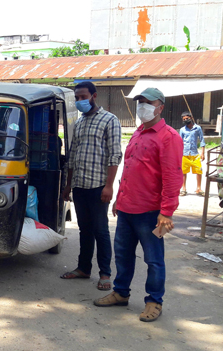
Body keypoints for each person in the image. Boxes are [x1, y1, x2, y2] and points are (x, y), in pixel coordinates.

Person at [94, 88, 183, 323]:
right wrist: (119, 200)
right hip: (127, 209)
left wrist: (166, 212)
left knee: (153, 260)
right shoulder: (138, 133)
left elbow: (173, 176)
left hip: (151, 212)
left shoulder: (169, 136)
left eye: (147, 102)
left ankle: (154, 301)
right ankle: (121, 293)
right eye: (140, 102)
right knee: (123, 255)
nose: (142, 106)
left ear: (160, 107)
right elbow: (130, 169)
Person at [61, 81, 122, 291]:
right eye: (77, 98)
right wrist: (68, 185)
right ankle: (83, 268)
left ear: (94, 96)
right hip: (79, 185)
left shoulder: (109, 120)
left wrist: (109, 186)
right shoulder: (79, 123)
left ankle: (105, 273)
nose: (80, 101)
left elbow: (114, 155)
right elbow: (72, 156)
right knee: (84, 230)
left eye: (83, 97)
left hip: (98, 186)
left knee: (100, 230)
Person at [179, 112, 205, 196]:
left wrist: (203, 153)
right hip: (185, 154)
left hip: (195, 154)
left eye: (187, 118)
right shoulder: (182, 130)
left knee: (199, 171)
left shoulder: (197, 128)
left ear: (191, 117)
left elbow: (202, 140)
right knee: (183, 172)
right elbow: (179, 142)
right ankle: (184, 188)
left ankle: (198, 188)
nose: (186, 120)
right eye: (184, 119)